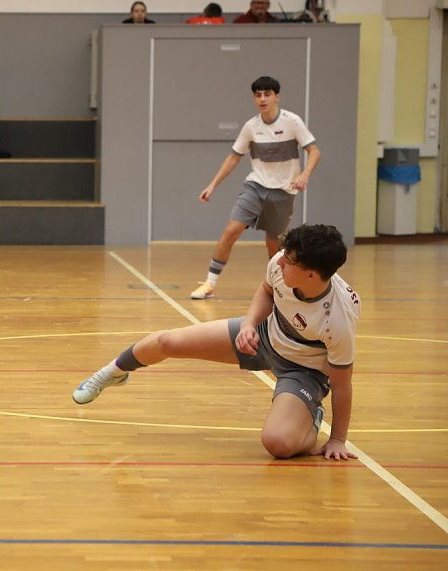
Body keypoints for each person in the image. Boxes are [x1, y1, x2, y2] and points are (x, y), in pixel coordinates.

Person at [74, 224, 360, 461]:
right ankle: (110, 373)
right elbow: (266, 291)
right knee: (169, 341)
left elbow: (342, 383)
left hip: (303, 371)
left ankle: (309, 413)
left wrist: (337, 439)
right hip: (264, 334)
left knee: (278, 443)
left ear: (311, 274)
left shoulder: (339, 316)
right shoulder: (281, 264)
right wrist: (249, 325)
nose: (280, 261)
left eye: (290, 261)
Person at [189, 76, 320, 300]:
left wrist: (304, 175)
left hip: (284, 192)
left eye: (267, 94)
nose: (262, 99)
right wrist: (212, 185)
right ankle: (209, 283)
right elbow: (233, 157)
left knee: (274, 246)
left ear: (276, 96)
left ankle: (281, 288)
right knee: (231, 230)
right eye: (258, 95)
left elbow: (314, 152)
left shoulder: (292, 122)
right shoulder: (251, 126)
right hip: (256, 186)